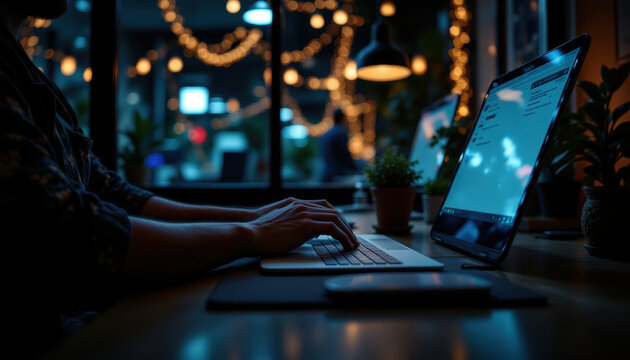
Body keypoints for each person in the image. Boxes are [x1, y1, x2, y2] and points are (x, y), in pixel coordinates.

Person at [0, 1, 358, 354]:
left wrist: (254, 217)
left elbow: (116, 194)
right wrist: (252, 233)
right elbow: (71, 227)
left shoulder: (25, 71)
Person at [319, 108, 360, 182]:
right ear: (343, 118)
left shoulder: (326, 134)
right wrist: (357, 168)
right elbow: (345, 154)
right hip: (337, 175)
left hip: (326, 173)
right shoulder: (340, 133)